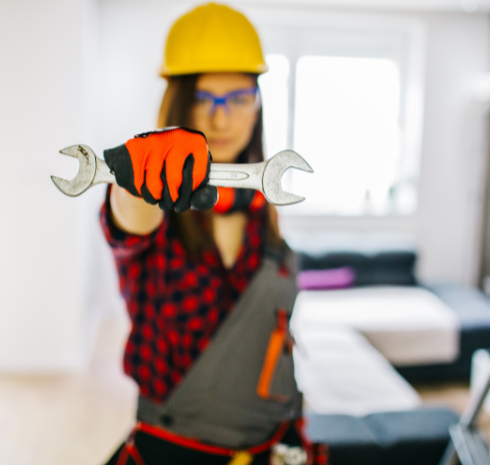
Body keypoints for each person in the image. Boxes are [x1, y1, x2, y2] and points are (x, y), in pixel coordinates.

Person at [101, 4, 326, 464]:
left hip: (269, 444)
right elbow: (128, 217)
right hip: (173, 451)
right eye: (205, 98)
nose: (221, 119)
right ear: (179, 102)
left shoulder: (264, 208)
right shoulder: (154, 209)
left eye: (238, 97)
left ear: (258, 102)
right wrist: (140, 174)